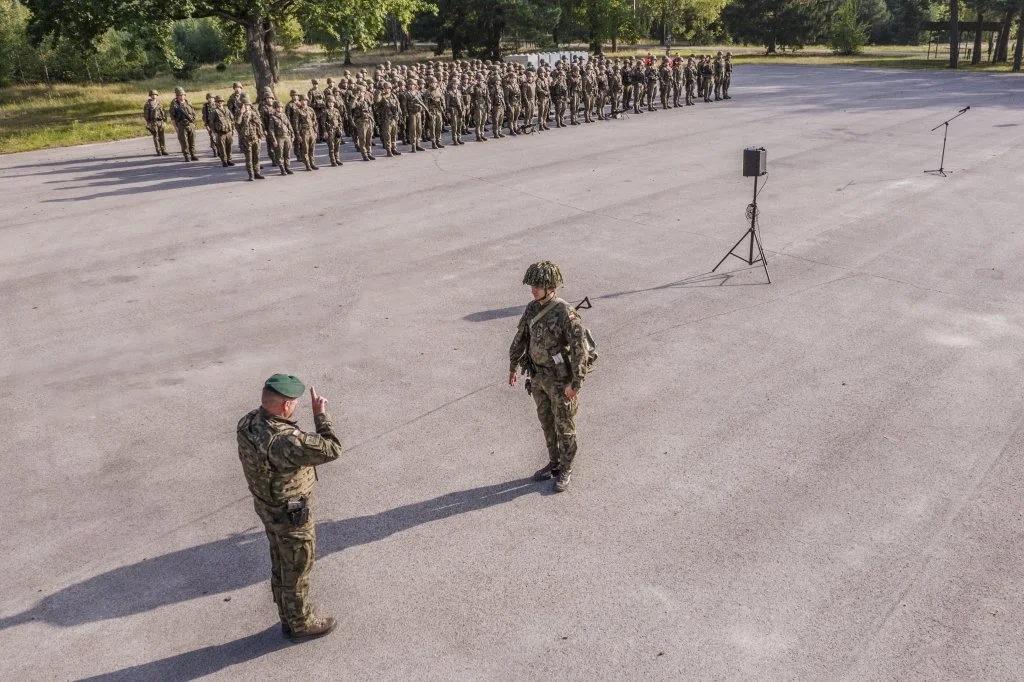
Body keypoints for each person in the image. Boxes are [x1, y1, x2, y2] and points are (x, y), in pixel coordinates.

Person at [237, 374, 343, 642]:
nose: (295, 407)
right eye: (294, 403)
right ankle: (301, 623)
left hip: (266, 505)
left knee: (280, 560)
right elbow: (331, 449)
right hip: (291, 513)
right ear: (285, 406)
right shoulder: (287, 441)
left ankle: (287, 616)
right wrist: (320, 415)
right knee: (298, 566)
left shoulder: (248, 423)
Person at [508, 261, 590, 493]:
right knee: (546, 422)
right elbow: (521, 336)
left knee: (564, 425)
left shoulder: (566, 313)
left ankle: (566, 467)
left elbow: (579, 350)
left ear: (551, 286)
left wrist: (576, 383)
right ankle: (554, 462)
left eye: (539, 285)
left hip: (559, 381)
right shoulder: (532, 308)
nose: (534, 289)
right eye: (532, 285)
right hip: (537, 377)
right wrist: (513, 364)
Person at [235, 94, 266, 180]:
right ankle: (251, 174)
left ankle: (257, 173)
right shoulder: (239, 113)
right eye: (245, 105)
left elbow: (259, 124)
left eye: (248, 105)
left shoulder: (253, 113)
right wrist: (241, 113)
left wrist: (260, 136)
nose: (246, 106)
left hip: (255, 137)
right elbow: (237, 123)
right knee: (249, 158)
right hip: (246, 139)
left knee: (256, 156)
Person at [169, 87, 199, 162]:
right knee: (184, 141)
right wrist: (175, 127)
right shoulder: (174, 105)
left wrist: (194, 123)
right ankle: (186, 155)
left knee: (192, 140)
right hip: (181, 125)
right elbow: (172, 117)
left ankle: (193, 155)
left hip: (190, 124)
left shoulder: (188, 102)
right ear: (177, 96)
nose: (182, 97)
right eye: (180, 95)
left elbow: (193, 113)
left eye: (183, 95)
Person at [266, 101, 294, 175]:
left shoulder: (284, 115)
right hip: (279, 138)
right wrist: (274, 140)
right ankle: (282, 168)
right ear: (275, 108)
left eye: (281, 107)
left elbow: (289, 125)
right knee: (279, 154)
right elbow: (271, 130)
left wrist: (292, 134)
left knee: (287, 153)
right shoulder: (272, 117)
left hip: (286, 136)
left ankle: (287, 167)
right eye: (278, 107)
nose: (280, 109)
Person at [210, 95, 235, 167]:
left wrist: (233, 129)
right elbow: (212, 122)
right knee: (222, 147)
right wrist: (214, 132)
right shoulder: (214, 111)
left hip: (228, 131)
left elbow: (232, 119)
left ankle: (229, 160)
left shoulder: (227, 110)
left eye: (221, 101)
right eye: (218, 101)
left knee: (229, 146)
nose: (220, 103)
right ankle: (224, 161)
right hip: (220, 132)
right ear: (216, 102)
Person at [143, 89, 169, 157]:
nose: (154, 96)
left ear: (157, 95)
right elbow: (146, 114)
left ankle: (163, 149)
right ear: (150, 96)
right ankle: (158, 150)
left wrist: (165, 121)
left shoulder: (160, 103)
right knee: (156, 136)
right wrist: (149, 123)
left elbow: (163, 112)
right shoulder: (148, 104)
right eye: (152, 95)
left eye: (155, 95)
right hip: (153, 122)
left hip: (160, 121)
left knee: (162, 136)